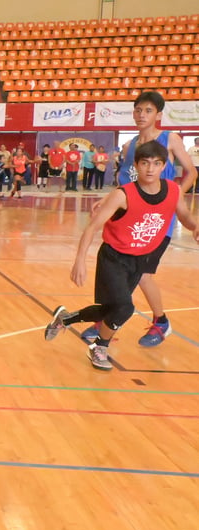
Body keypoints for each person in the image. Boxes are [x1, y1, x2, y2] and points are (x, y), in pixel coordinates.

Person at [44, 140, 199, 370]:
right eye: (144, 163)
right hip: (114, 257)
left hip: (140, 259)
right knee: (125, 308)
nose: (150, 168)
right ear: (136, 165)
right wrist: (79, 260)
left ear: (164, 166)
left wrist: (195, 226)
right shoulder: (122, 195)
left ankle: (65, 318)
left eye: (156, 164)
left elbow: (185, 216)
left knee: (110, 309)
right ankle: (99, 347)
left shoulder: (173, 191)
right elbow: (92, 227)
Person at [80, 91, 197, 347]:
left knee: (142, 272)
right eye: (138, 110)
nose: (141, 115)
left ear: (158, 115)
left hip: (157, 222)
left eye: (148, 111)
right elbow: (127, 181)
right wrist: (110, 198)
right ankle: (111, 317)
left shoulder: (170, 139)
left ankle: (160, 322)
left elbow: (191, 172)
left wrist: (172, 201)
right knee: (121, 269)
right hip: (131, 220)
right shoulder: (131, 145)